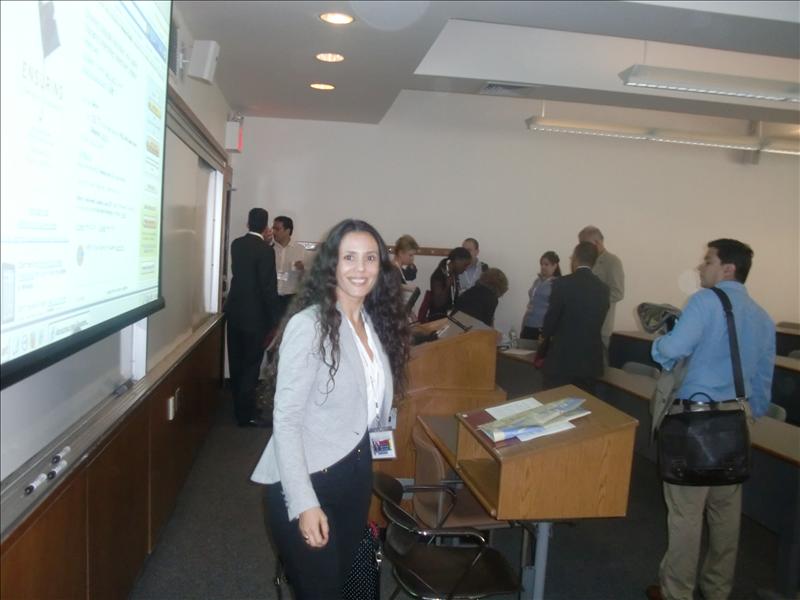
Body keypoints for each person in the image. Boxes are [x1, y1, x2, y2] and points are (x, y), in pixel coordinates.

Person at [250, 219, 410, 599]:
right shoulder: (310, 325)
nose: (360, 268)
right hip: (308, 479)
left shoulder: (372, 323)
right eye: (349, 257)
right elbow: (286, 420)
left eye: (370, 258)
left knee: (340, 584)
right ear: (331, 265)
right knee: (319, 591)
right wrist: (304, 503)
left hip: (355, 474)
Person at [645, 239, 775, 600]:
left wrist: (659, 345)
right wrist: (750, 417)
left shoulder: (705, 301)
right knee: (725, 515)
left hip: (695, 423)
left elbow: (673, 350)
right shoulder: (762, 317)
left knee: (686, 515)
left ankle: (677, 592)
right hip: (735, 423)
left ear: (727, 269)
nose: (701, 267)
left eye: (708, 261)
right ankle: (717, 589)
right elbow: (763, 381)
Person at [223, 208, 279, 427]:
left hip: (235, 312)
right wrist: (275, 319)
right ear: (266, 227)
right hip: (255, 318)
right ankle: (246, 415)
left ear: (248, 223)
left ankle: (238, 407)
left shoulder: (236, 244)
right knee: (251, 365)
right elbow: (268, 288)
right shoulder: (266, 251)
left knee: (237, 362)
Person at [540, 241, 609, 394]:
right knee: (584, 404)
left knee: (553, 402)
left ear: (575, 259)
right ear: (594, 261)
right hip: (590, 361)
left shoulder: (562, 284)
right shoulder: (604, 289)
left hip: (562, 358)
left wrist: (544, 336)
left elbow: (551, 321)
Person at [578, 226, 624, 351]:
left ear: (597, 242)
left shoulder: (612, 261)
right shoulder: (585, 261)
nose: (582, 248)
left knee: (598, 361)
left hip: (601, 326)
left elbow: (618, 293)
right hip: (582, 324)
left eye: (584, 244)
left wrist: (592, 298)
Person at [271, 216, 306, 323]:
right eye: (273, 228)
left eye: (277, 229)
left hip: (291, 298)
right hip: (272, 297)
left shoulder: (300, 250)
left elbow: (307, 278)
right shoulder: (269, 249)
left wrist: (302, 269)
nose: (274, 232)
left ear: (287, 231)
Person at [520, 251, 562, 340]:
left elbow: (557, 309)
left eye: (546, 264)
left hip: (542, 326)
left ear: (555, 265)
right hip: (528, 323)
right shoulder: (537, 281)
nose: (543, 267)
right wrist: (523, 323)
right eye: (541, 264)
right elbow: (531, 303)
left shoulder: (557, 283)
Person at [427, 246, 472, 321]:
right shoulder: (438, 275)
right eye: (465, 265)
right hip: (438, 319)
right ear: (457, 260)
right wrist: (447, 287)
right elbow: (438, 303)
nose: (465, 268)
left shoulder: (454, 273)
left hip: (450, 317)